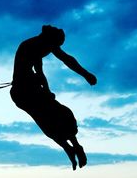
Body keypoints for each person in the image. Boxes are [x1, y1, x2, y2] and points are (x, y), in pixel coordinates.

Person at [10, 25, 97, 170]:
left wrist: (85, 73)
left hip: (29, 91)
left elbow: (66, 59)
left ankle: (72, 147)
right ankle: (70, 147)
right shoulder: (32, 46)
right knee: (52, 119)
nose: (53, 50)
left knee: (57, 116)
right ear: (49, 40)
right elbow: (41, 72)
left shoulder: (42, 44)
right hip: (24, 92)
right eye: (54, 46)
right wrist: (85, 74)